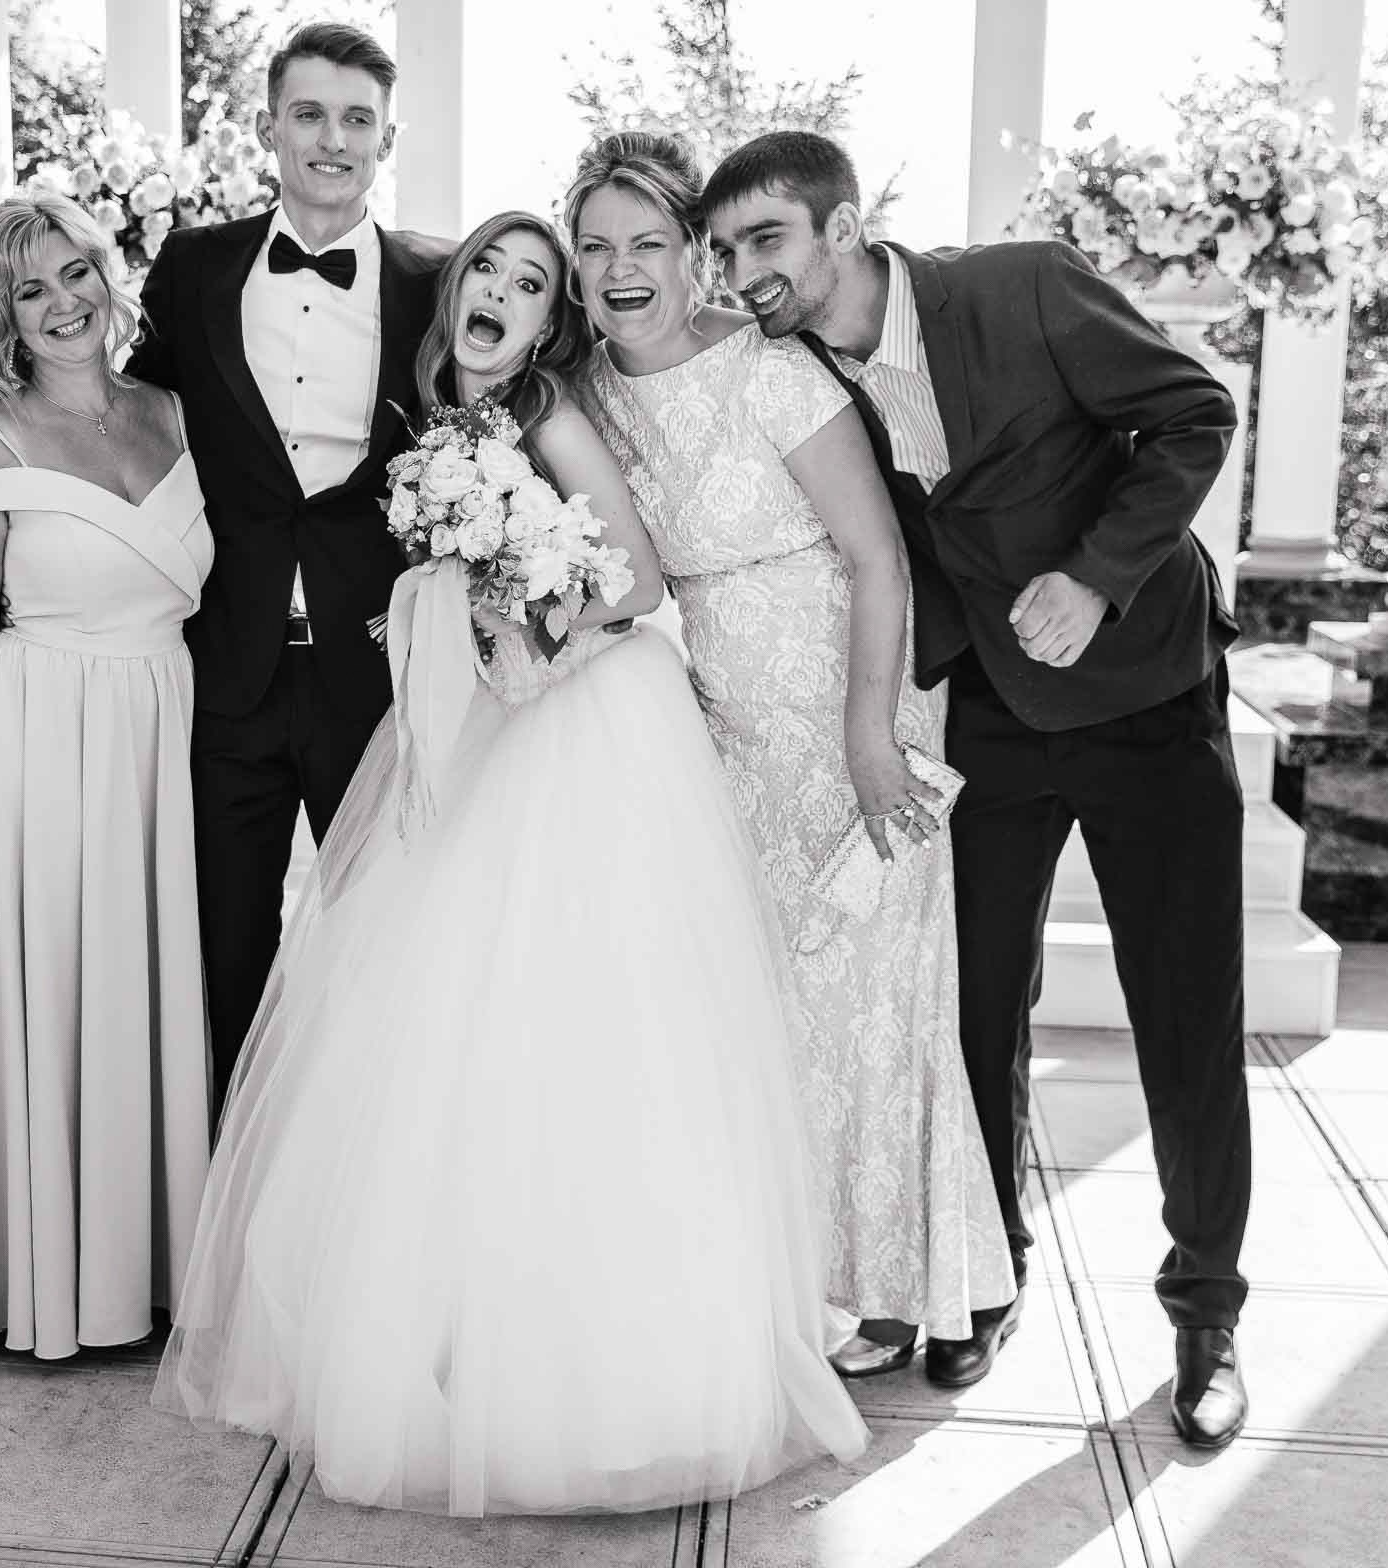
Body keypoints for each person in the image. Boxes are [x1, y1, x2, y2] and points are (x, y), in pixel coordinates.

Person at [153, 211, 869, 1515]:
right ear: (457, 291)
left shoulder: (548, 416)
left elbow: (638, 580)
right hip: (487, 710)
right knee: (439, 1017)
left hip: (589, 720)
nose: (505, 293)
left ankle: (601, 1361)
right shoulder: (430, 424)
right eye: (491, 267)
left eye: (536, 284)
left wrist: (532, 619)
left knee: (576, 1023)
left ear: (552, 326)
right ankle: (446, 1332)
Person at [701, 130, 1252, 1448]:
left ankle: (1207, 1317)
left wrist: (1100, 572)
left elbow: (1193, 415)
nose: (740, 273)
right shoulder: (787, 373)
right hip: (992, 716)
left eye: (763, 241)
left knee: (1186, 1017)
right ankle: (985, 1285)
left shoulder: (1023, 288)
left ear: (841, 229)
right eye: (723, 251)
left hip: (1147, 697)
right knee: (977, 1009)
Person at [569, 132, 1017, 1384]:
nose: (620, 270)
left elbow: (879, 557)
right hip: (718, 728)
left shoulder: (771, 374)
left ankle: (913, 1294)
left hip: (850, 708)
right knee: (768, 1018)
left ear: (692, 257)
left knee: (876, 1010)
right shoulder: (587, 396)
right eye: (595, 248)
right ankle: (784, 1278)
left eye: (648, 244)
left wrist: (872, 739)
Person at [0, 194, 213, 1359]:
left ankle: (152, 1265)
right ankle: (38, 1279)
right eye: (33, 288)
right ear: (2, 313)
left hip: (158, 726)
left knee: (145, 982)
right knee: (55, 990)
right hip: (39, 734)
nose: (64, 301)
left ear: (106, 272)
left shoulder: (176, 413)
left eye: (75, 271)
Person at [125, 23, 451, 1115]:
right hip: (227, 668)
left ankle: (365, 1209)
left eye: (358, 118)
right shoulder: (194, 268)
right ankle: (221, 1221)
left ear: (386, 137)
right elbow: (126, 420)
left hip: (379, 676)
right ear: (269, 128)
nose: (333, 139)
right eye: (309, 114)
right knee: (225, 952)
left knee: (384, 947)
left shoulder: (438, 282)